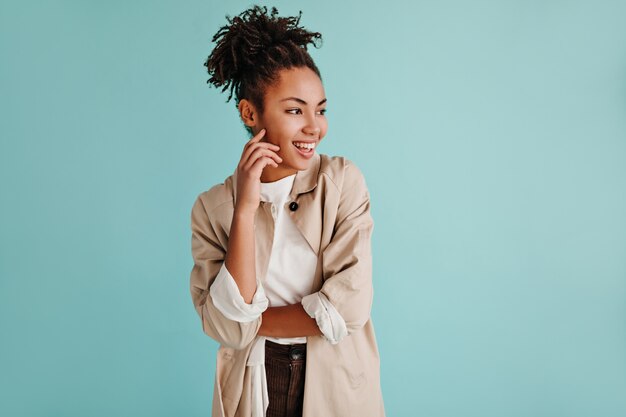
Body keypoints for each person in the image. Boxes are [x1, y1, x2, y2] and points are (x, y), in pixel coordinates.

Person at [190, 5, 385, 417]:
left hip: (336, 380)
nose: (315, 126)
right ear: (249, 113)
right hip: (255, 382)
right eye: (296, 110)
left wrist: (250, 322)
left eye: (321, 109)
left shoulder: (342, 182)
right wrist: (245, 209)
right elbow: (223, 328)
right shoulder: (213, 210)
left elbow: (347, 309)